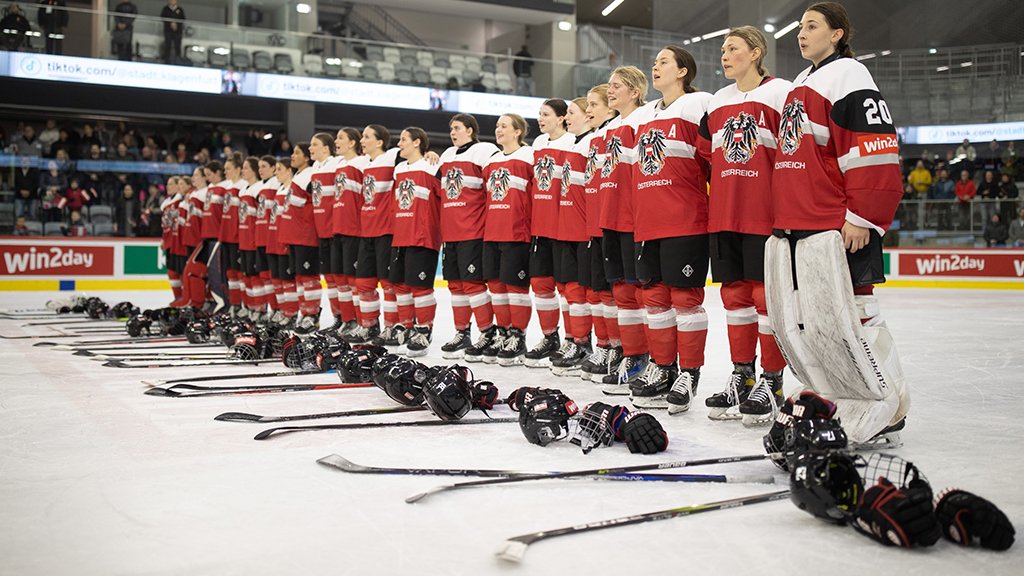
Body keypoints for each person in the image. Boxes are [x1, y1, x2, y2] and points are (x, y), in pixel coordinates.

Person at [768, 2, 908, 445]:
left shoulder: (850, 75)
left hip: (837, 223)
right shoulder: (803, 81)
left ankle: (893, 402)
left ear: (837, 33)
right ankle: (848, 397)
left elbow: (873, 148)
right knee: (821, 321)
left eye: (812, 26)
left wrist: (862, 215)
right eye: (800, 27)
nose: (801, 34)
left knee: (860, 315)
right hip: (802, 222)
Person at [697, 27, 793, 423]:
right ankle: (743, 375)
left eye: (732, 48)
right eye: (722, 49)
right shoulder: (718, 101)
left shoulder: (781, 92)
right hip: (724, 215)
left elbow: (795, 151)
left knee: (765, 300)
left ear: (755, 53)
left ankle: (773, 382)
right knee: (734, 300)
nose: (724, 55)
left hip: (764, 215)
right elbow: (704, 155)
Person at [622, 46, 713, 413]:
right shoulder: (643, 116)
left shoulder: (700, 104)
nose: (655, 67)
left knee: (685, 301)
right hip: (648, 222)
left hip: (685, 219)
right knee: (655, 301)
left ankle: (689, 373)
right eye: (654, 62)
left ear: (683, 71)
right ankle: (662, 367)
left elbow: (711, 160)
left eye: (663, 62)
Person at [597, 66, 654, 394]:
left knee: (640, 292)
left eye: (616, 86)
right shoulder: (610, 127)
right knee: (620, 292)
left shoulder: (644, 119)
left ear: (634, 91)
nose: (610, 91)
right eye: (609, 86)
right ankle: (632, 356)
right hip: (611, 217)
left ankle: (651, 359)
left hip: (634, 219)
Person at [436, 114, 499, 360]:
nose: (453, 132)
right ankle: (462, 333)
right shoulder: (446, 155)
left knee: (473, 284)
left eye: (458, 128)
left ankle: (487, 332)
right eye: (451, 128)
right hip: (450, 232)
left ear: (470, 130)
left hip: (473, 230)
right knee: (455, 286)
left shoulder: (484, 151)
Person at [478, 114, 534, 365]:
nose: (498, 130)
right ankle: (503, 332)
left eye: (504, 126)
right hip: (492, 232)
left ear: (518, 132)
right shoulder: (490, 162)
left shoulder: (529, 156)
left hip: (517, 232)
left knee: (515, 288)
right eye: (497, 126)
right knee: (497, 288)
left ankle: (518, 336)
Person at [547, 96, 597, 377]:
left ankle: (584, 343)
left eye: (572, 112)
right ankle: (573, 339)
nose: (567, 117)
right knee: (567, 290)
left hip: (582, 228)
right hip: (565, 226)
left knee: (581, 291)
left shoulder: (592, 142)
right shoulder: (572, 144)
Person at [524, 99, 575, 368]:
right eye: (539, 114)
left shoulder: (572, 142)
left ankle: (572, 339)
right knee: (541, 285)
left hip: (562, 225)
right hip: (539, 226)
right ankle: (549, 337)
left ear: (562, 117)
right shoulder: (538, 144)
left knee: (566, 288)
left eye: (545, 114)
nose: (540, 119)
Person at [576, 84, 621, 383]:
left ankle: (620, 349)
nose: (588, 110)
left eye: (594, 105)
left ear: (610, 107)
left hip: (612, 225)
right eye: (587, 105)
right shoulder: (592, 139)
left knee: (617, 294)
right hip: (594, 226)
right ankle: (605, 346)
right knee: (598, 293)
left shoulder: (615, 133)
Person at [389, 127, 442, 356]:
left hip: (422, 236)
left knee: (420, 288)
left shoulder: (432, 166)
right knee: (400, 285)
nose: (399, 143)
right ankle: (407, 327)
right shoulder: (399, 169)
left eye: (403, 139)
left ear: (417, 142)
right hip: (400, 235)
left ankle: (424, 330)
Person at [330, 128, 367, 336]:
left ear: (352, 143)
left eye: (340, 138)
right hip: (338, 229)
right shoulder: (340, 165)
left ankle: (363, 322)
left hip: (354, 229)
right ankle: (347, 320)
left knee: (354, 280)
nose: (337, 141)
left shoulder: (362, 163)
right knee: (340, 278)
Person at [278, 143, 319, 331]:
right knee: (300, 278)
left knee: (308, 277)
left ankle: (312, 315)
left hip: (306, 235)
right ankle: (304, 312)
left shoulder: (310, 175)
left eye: (297, 153)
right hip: (294, 236)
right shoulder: (299, 175)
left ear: (307, 157)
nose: (292, 156)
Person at [308, 133, 343, 331]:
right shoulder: (315, 167)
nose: (310, 148)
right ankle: (337, 316)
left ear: (326, 148)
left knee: (339, 278)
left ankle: (348, 318)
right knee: (329, 279)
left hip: (334, 231)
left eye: (315, 144)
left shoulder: (337, 162)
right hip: (321, 232)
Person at [161, 0, 185, 64]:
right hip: (168, 30)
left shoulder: (180, 9)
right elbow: (163, 17)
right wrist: (170, 23)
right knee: (167, 44)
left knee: (177, 45)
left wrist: (176, 24)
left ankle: (177, 59)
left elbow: (183, 19)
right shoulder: (165, 9)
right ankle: (167, 59)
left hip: (177, 31)